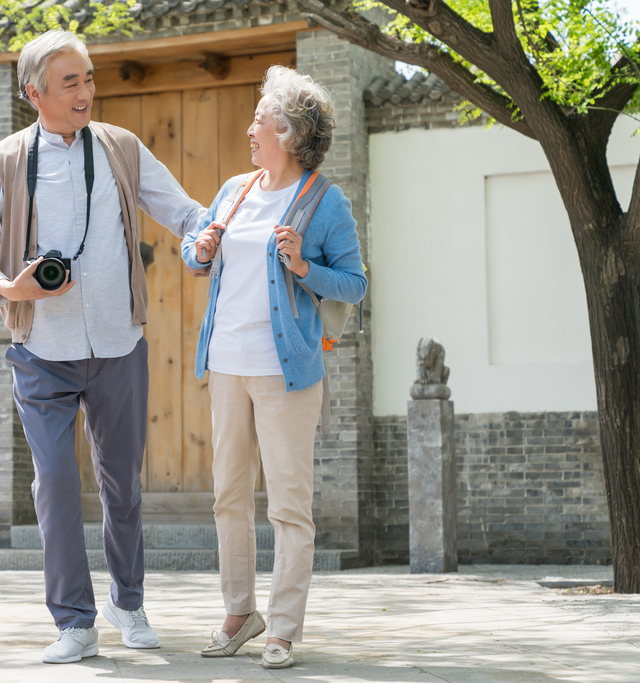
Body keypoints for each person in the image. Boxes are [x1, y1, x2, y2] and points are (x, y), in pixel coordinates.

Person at [0, 30, 206, 664]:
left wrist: (215, 229)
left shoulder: (121, 148)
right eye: (71, 82)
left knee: (121, 484)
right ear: (34, 93)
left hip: (119, 343)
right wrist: (6, 285)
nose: (85, 91)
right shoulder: (5, 160)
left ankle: (128, 601)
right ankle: (74, 621)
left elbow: (181, 211)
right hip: (41, 348)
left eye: (89, 78)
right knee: (56, 484)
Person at [180, 65, 367, 670]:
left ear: (287, 132)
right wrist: (199, 250)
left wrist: (305, 268)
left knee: (288, 505)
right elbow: (196, 252)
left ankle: (282, 628)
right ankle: (240, 614)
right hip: (228, 365)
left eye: (261, 119)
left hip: (286, 371)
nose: (251, 129)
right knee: (228, 497)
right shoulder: (235, 189)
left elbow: (355, 283)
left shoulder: (323, 200)